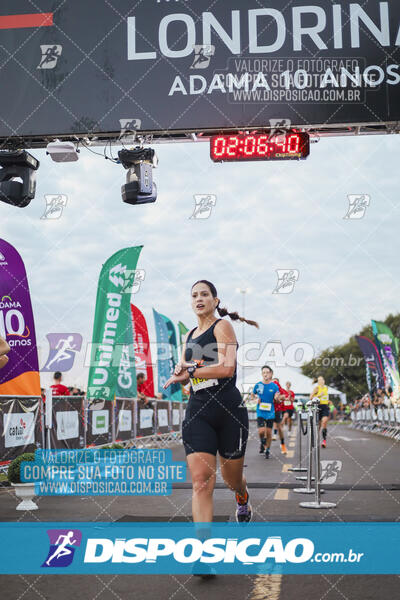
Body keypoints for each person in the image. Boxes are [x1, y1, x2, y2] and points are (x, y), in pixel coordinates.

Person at [163, 280, 259, 524]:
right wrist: (180, 376)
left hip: (228, 409)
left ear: (215, 301)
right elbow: (188, 380)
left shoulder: (222, 326)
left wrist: (192, 370)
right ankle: (203, 554)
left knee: (231, 480)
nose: (199, 298)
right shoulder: (188, 336)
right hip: (199, 410)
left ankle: (241, 495)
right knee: (201, 482)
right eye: (194, 295)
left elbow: (227, 368)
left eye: (204, 294)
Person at [251, 366, 280, 459]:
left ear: (271, 374)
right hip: (260, 411)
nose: (265, 374)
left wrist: (276, 397)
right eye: (263, 372)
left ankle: (267, 450)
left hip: (270, 412)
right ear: (262, 374)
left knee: (268, 432)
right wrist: (256, 399)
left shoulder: (274, 386)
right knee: (261, 431)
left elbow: (277, 396)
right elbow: (252, 395)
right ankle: (262, 442)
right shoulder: (258, 385)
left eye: (267, 372)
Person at [310, 375, 329, 448]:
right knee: (318, 425)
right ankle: (315, 439)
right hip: (318, 407)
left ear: (324, 381)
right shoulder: (316, 388)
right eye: (319, 380)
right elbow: (311, 398)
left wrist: (328, 401)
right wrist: (319, 396)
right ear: (318, 382)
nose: (321, 381)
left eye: (322, 380)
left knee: (324, 422)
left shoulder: (326, 388)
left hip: (325, 407)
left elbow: (325, 397)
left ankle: (324, 440)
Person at [271, 377, 288, 454]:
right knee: (265, 429)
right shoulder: (263, 384)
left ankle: (283, 444)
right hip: (267, 410)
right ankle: (264, 444)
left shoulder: (277, 386)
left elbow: (284, 396)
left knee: (279, 427)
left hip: (278, 409)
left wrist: (279, 398)